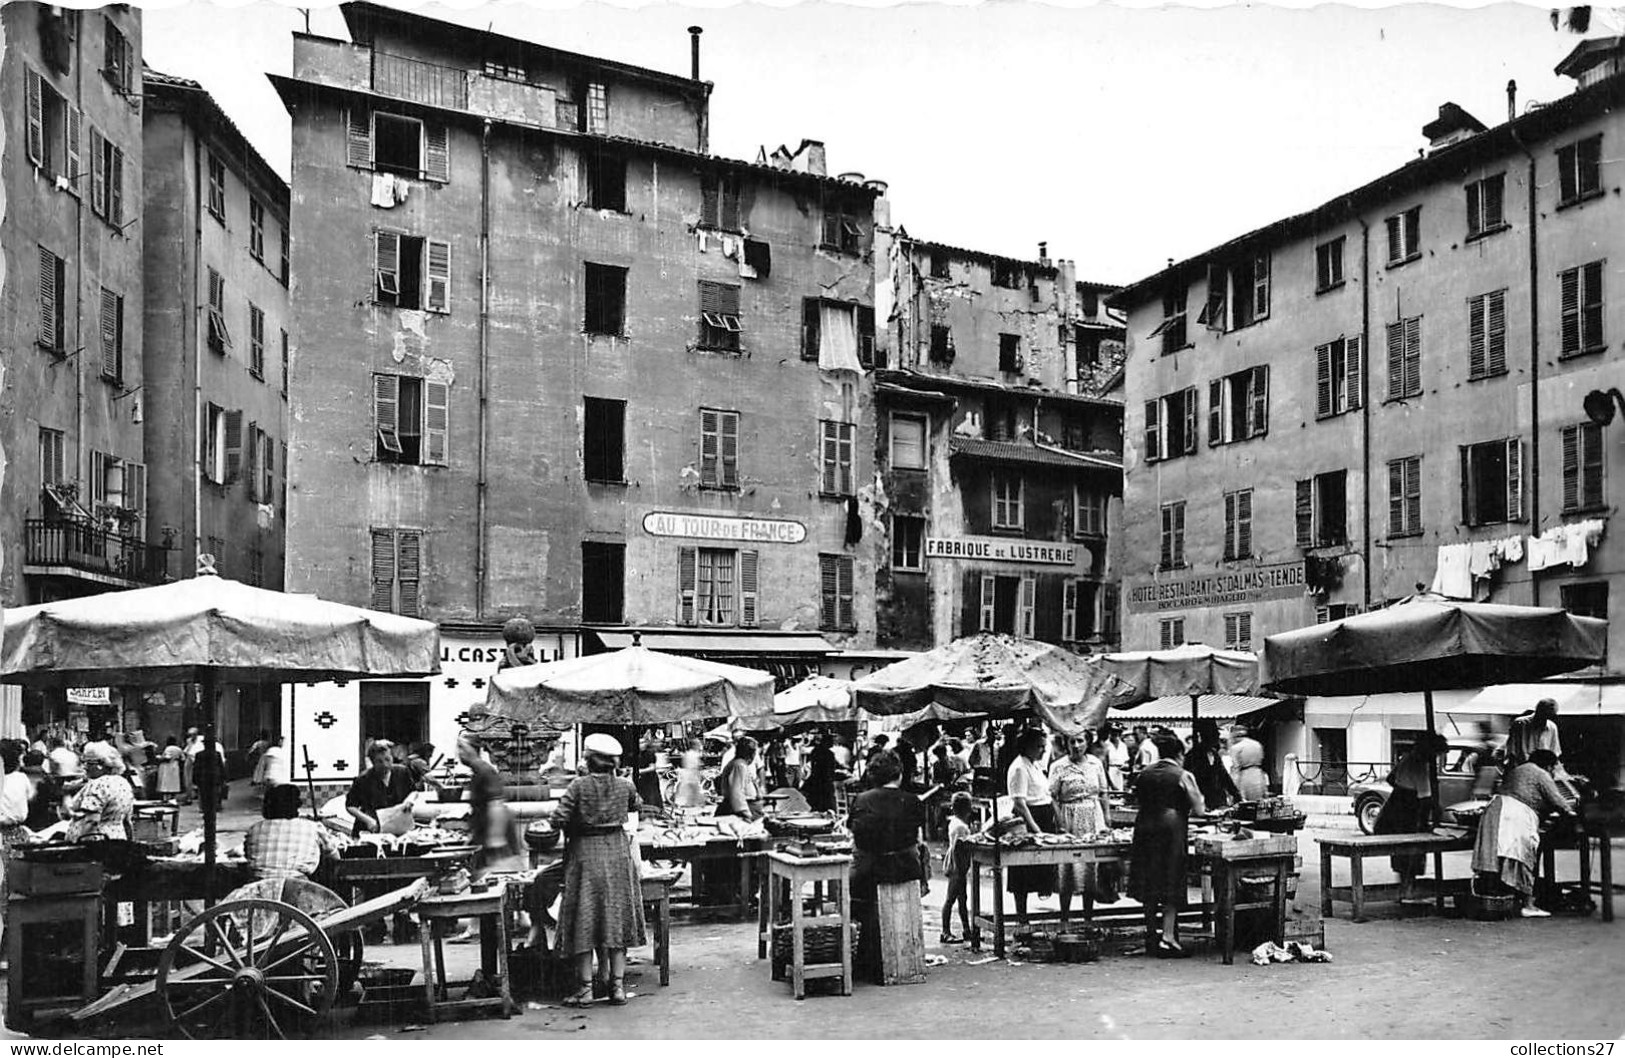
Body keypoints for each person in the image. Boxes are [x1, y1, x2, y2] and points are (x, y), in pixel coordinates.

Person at [550, 733, 646, 1008]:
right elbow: (636, 806)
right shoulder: (625, 785)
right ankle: (616, 988)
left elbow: (558, 819)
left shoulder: (578, 786)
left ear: (588, 759)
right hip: (617, 855)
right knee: (616, 920)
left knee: (584, 920)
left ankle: (585, 991)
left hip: (585, 857)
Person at [846, 750, 928, 983]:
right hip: (905, 870)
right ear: (899, 774)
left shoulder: (862, 799)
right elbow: (917, 839)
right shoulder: (912, 800)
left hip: (870, 873)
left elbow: (857, 836)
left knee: (856, 896)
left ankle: (865, 960)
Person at [1472, 749, 1576, 917]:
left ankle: (1502, 900)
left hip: (1496, 810)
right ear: (1549, 765)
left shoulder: (1519, 769)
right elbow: (1557, 800)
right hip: (1514, 815)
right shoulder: (1540, 773)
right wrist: (1571, 813)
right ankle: (1528, 904)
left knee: (1496, 859)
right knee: (1522, 857)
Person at [1130, 734, 1207, 957]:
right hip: (1170, 829)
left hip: (1144, 827)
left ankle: (1151, 934)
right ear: (1180, 754)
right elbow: (1200, 809)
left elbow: (1137, 800)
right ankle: (1168, 938)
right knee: (1171, 880)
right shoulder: (1183, 775)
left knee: (1149, 880)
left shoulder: (1144, 774)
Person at [1372, 733, 1449, 900]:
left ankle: (1404, 888)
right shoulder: (1421, 765)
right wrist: (1437, 812)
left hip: (1396, 804)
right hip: (1409, 811)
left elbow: (1391, 778)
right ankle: (1408, 890)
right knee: (1411, 851)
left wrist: (1403, 787)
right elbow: (1425, 799)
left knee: (1400, 853)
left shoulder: (1407, 758)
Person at [1049, 736, 1111, 919]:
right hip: (1069, 816)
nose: (1076, 746)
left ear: (1087, 742)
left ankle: (1088, 916)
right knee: (1067, 866)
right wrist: (1060, 822)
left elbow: (1103, 791)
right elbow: (1052, 796)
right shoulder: (1058, 766)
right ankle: (1065, 916)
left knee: (1090, 867)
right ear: (1066, 744)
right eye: (1072, 742)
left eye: (1080, 741)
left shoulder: (1095, 763)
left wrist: (1107, 816)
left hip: (1093, 815)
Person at [1005, 729, 1058, 925]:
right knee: (1022, 870)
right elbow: (1019, 802)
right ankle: (1022, 919)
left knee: (1042, 868)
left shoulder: (1034, 765)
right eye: (1039, 747)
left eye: (1044, 747)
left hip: (1044, 816)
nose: (1043, 751)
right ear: (1027, 746)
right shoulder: (1019, 767)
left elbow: (1046, 795)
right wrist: (1035, 828)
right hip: (1028, 818)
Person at [243, 785, 335, 880]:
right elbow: (334, 856)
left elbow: (247, 854)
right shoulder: (313, 827)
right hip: (298, 884)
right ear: (296, 806)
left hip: (258, 884)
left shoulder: (255, 829)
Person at [458, 733, 516, 879]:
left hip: (494, 839)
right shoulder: (478, 771)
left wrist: (496, 841)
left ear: (473, 749)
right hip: (483, 836)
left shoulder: (485, 771)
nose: (459, 753)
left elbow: (496, 804)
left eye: (462, 748)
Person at [345, 740, 416, 836]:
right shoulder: (363, 779)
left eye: (387, 759)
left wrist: (409, 800)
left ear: (392, 757)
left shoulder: (402, 772)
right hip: (370, 829)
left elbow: (414, 792)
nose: (385, 765)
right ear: (373, 762)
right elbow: (350, 806)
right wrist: (368, 820)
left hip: (396, 826)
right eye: (379, 761)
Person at [66, 743, 135, 842]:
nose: (85, 767)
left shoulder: (98, 784)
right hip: (118, 839)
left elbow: (91, 821)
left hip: (96, 841)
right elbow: (127, 821)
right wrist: (130, 843)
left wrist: (78, 842)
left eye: (89, 763)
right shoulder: (123, 783)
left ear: (101, 764)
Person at [940, 791, 975, 944]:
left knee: (962, 899)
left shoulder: (954, 822)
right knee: (951, 899)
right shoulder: (961, 828)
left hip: (957, 865)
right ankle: (945, 931)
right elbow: (960, 849)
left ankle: (967, 930)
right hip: (957, 866)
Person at [1186, 719, 1242, 809]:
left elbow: (1224, 776)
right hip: (1202, 804)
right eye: (1215, 732)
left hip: (1219, 802)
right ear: (1206, 735)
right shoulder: (1193, 755)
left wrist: (1236, 795)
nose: (1218, 735)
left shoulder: (1214, 754)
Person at [715, 737, 763, 820]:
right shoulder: (739, 765)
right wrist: (746, 813)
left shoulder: (741, 764)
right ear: (750, 753)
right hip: (737, 811)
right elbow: (736, 793)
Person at [800, 732, 844, 812]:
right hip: (824, 779)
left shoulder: (815, 750)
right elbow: (831, 768)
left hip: (816, 778)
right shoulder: (829, 753)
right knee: (825, 799)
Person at [1230, 724, 1269, 801]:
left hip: (1245, 777)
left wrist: (1234, 787)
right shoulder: (1257, 744)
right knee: (1259, 802)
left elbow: (1236, 768)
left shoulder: (1236, 748)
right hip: (1258, 775)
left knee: (1245, 804)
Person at [633, 732, 665, 812]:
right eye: (639, 743)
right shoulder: (636, 754)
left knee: (653, 797)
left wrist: (639, 771)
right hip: (642, 780)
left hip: (650, 779)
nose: (641, 745)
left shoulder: (650, 753)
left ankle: (656, 813)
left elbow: (653, 768)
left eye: (643, 742)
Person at [672, 744, 706, 809]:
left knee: (688, 790)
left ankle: (687, 803)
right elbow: (696, 766)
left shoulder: (687, 754)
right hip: (692, 774)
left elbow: (684, 764)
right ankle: (699, 803)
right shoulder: (695, 755)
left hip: (687, 774)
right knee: (695, 790)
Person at [156, 737, 184, 802]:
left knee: (166, 783)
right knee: (174, 783)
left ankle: (165, 798)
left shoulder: (168, 748)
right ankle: (173, 799)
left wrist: (159, 758)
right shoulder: (178, 749)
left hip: (167, 767)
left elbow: (167, 758)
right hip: (175, 766)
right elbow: (183, 758)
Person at [1104, 725, 1130, 792]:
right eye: (1113, 731)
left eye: (1118, 732)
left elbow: (1126, 759)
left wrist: (1125, 765)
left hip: (1120, 772)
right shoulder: (1106, 745)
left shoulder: (1123, 745)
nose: (1115, 734)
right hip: (1110, 771)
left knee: (1120, 792)